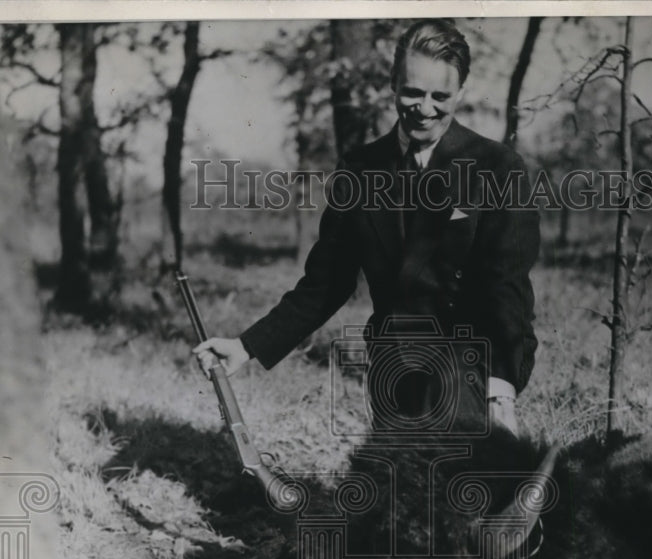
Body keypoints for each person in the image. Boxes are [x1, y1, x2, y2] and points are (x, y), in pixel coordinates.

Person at [194, 19, 539, 436]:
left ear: (461, 93)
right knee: (400, 478)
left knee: (463, 476)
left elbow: (507, 289)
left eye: (440, 96)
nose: (424, 108)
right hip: (393, 372)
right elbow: (326, 283)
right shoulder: (358, 169)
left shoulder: (498, 167)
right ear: (393, 83)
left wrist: (500, 391)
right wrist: (247, 346)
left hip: (470, 369)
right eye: (412, 92)